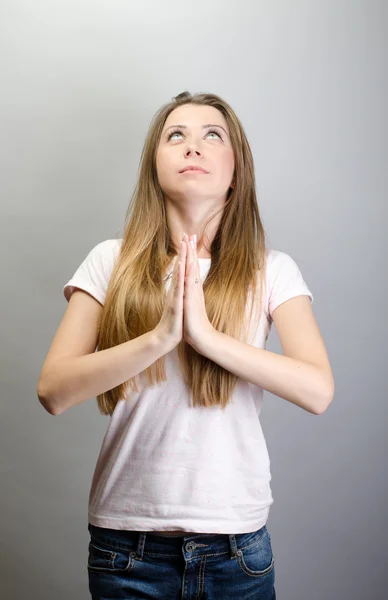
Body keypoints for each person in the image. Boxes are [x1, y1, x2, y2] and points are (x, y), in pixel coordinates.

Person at [37, 91, 334, 599]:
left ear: (236, 172)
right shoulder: (110, 261)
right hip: (125, 549)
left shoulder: (272, 271)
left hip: (236, 549)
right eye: (176, 136)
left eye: (211, 136)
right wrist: (160, 338)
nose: (192, 147)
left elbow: (317, 391)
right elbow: (54, 391)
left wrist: (207, 338)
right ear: (155, 168)